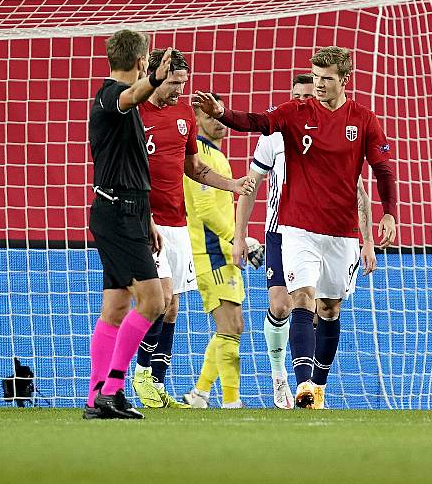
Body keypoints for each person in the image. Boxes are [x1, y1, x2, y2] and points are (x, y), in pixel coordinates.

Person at [193, 46, 396, 410]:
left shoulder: (363, 119)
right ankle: (300, 384)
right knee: (300, 298)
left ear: (344, 80)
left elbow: (381, 170)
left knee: (330, 309)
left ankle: (317, 386)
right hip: (296, 227)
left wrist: (388, 213)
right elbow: (255, 121)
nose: (318, 85)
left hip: (342, 231)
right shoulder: (294, 113)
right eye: (315, 78)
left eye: (326, 79)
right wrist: (224, 114)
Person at [232, 73, 376, 409]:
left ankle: (312, 388)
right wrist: (240, 237)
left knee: (321, 308)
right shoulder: (274, 135)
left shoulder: (333, 133)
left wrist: (367, 240)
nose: (301, 101)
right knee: (283, 305)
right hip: (282, 231)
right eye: (296, 95)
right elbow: (250, 187)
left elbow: (358, 192)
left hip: (326, 231)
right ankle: (282, 376)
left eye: (307, 96)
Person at [130, 49, 255, 410]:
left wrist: (232, 186)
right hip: (144, 220)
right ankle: (138, 372)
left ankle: (157, 383)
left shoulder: (184, 114)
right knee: (160, 298)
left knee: (171, 309)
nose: (179, 91)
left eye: (183, 83)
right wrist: (144, 215)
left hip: (177, 224)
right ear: (154, 76)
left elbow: (193, 167)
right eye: (172, 83)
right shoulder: (136, 113)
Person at [178, 94, 251, 409]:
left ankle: (200, 393)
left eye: (219, 116)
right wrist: (241, 238)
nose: (218, 122)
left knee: (232, 327)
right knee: (231, 327)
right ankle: (231, 402)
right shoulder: (200, 158)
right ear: (196, 120)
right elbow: (207, 211)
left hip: (223, 251)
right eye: (209, 117)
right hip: (212, 252)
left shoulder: (215, 155)